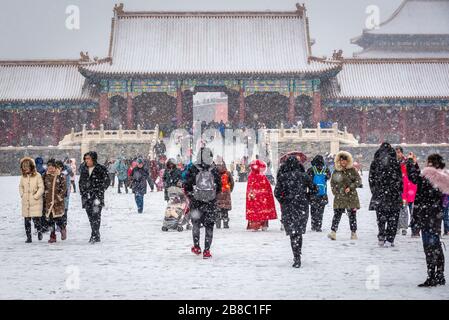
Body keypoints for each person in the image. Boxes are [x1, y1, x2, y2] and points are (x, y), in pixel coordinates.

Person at [407, 153, 448, 287]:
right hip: (436, 215)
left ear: (430, 164)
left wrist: (411, 163)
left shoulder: (428, 175)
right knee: (435, 245)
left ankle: (431, 276)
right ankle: (440, 275)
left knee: (429, 247)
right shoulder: (443, 176)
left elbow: (414, 178)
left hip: (426, 214)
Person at [275, 156, 316, 268]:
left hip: (288, 207)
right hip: (302, 206)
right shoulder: (304, 176)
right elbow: (314, 189)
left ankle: (296, 256)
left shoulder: (283, 177)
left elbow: (277, 193)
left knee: (293, 233)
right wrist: (307, 197)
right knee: (298, 232)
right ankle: (298, 255)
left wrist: (283, 201)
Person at [184, 147, 221, 259]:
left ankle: (196, 247)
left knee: (196, 224)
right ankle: (207, 250)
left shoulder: (193, 168)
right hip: (210, 203)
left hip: (196, 202)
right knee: (209, 226)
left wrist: (191, 196)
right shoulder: (214, 168)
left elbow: (187, 184)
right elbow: (219, 186)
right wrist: (213, 196)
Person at [368, 143, 403, 247]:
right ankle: (390, 238)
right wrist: (399, 190)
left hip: (380, 194)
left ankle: (381, 235)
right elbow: (400, 179)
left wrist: (374, 191)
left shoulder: (375, 162)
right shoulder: (395, 162)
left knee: (381, 217)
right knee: (393, 217)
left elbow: (371, 179)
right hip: (393, 194)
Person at [328, 151, 362, 241]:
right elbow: (332, 183)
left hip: (351, 196)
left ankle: (353, 233)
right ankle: (333, 232)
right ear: (339, 161)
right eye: (341, 160)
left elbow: (358, 181)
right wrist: (336, 193)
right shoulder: (336, 171)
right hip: (340, 196)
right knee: (337, 215)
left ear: (348, 161)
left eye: (345, 160)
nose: (343, 162)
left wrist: (351, 187)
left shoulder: (352, 170)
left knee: (352, 216)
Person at [79, 151, 110, 243]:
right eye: (85, 159)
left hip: (97, 196)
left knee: (96, 215)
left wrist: (100, 190)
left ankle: (94, 235)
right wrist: (83, 192)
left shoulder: (101, 168)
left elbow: (107, 181)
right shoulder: (84, 169)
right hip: (86, 196)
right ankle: (96, 233)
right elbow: (81, 182)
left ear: (93, 159)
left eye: (88, 158)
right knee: (90, 216)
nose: (86, 161)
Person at [246, 159, 277, 231]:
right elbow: (268, 188)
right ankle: (263, 225)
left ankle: (255, 225)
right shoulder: (262, 176)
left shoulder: (251, 176)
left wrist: (251, 194)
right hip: (262, 198)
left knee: (255, 211)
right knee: (263, 210)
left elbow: (249, 188)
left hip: (254, 197)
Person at [19, 157, 44, 243]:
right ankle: (29, 237)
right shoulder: (23, 177)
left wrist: (36, 196)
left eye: (27, 166)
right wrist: (22, 194)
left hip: (35, 201)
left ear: (32, 166)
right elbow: (20, 186)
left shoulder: (38, 175)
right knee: (27, 220)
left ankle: (39, 231)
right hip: (26, 201)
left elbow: (41, 188)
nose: (25, 168)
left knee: (37, 219)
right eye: (24, 166)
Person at [395, 146, 418, 237]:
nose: (398, 154)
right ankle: (399, 226)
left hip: (409, 187)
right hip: (400, 187)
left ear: (402, 152)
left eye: (399, 152)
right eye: (396, 152)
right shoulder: (393, 162)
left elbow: (414, 172)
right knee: (401, 208)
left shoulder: (407, 161)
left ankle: (407, 227)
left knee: (410, 208)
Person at [43, 159, 67, 243]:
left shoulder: (60, 176)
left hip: (58, 202)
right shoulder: (45, 176)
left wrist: (59, 197)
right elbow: (43, 187)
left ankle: (63, 229)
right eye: (49, 167)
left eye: (52, 167)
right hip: (49, 202)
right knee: (50, 221)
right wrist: (44, 196)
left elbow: (64, 188)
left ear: (55, 167)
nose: (50, 169)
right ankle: (52, 236)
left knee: (59, 218)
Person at [307, 155, 331, 232]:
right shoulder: (326, 169)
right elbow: (328, 177)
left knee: (313, 210)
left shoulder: (311, 170)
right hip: (322, 194)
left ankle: (313, 225)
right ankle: (319, 225)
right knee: (321, 211)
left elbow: (308, 180)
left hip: (313, 193)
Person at [55, 160, 73, 234]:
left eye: (59, 167)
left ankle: (63, 226)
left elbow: (70, 172)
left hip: (65, 194)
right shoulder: (56, 172)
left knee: (64, 210)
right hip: (58, 195)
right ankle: (59, 225)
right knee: (58, 211)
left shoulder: (66, 171)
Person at [215, 162, 234, 229]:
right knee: (225, 209)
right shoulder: (227, 173)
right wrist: (229, 190)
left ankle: (218, 223)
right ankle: (225, 223)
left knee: (217, 209)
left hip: (217, 192)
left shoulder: (215, 173)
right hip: (226, 192)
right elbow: (232, 182)